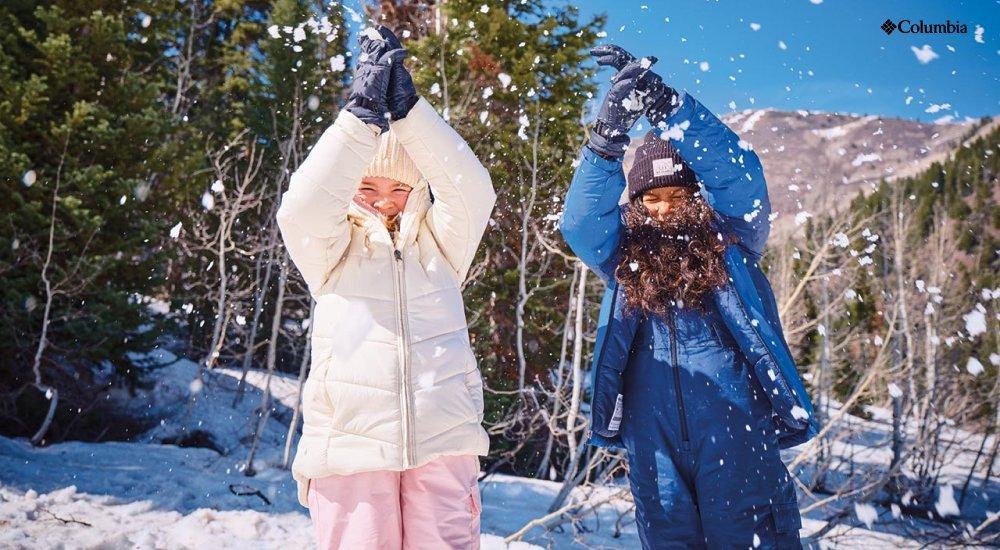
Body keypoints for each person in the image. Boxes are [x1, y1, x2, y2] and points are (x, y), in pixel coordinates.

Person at [560, 44, 819, 549]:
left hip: (736, 431)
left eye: (678, 197)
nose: (664, 210)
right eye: (650, 200)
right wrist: (607, 140)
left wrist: (669, 109)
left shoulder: (732, 242)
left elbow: (738, 177)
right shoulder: (622, 258)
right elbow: (580, 224)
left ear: (698, 199)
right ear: (634, 205)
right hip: (653, 443)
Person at [276, 25, 495, 549]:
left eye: (399, 187)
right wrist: (360, 119)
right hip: (351, 451)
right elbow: (302, 208)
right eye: (368, 186)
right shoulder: (331, 251)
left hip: (443, 445)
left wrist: (411, 113)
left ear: (416, 188)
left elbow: (473, 193)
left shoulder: (441, 246)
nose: (384, 199)